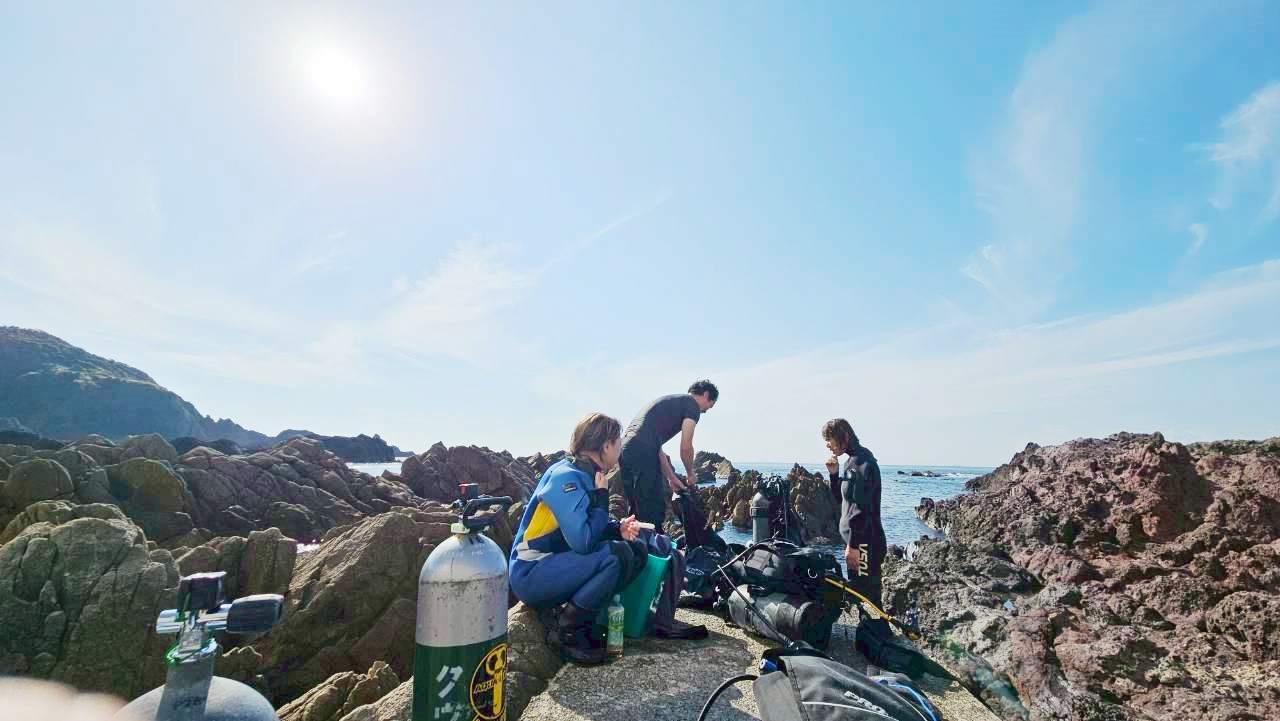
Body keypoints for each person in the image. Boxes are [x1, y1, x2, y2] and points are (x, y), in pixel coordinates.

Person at [509, 412, 647, 665]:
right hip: (531, 572)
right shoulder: (566, 477)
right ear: (605, 446)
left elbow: (583, 525)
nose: (620, 448)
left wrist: (618, 528)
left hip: (555, 562)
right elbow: (583, 542)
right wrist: (602, 498)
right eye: (618, 442)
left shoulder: (585, 473)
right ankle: (567, 633)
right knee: (615, 556)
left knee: (636, 550)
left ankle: (588, 621)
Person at [618, 380, 719, 527]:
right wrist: (690, 473)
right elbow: (685, 447)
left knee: (635, 507)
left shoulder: (671, 403)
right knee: (653, 508)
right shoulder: (692, 406)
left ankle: (636, 539)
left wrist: (671, 478)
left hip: (625, 449)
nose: (706, 410)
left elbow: (657, 449)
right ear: (706, 395)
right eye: (710, 405)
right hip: (643, 451)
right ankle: (653, 539)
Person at [823, 418, 887, 608]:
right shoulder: (851, 462)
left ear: (844, 436)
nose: (828, 445)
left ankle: (876, 626)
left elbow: (862, 509)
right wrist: (834, 474)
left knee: (867, 595)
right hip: (858, 542)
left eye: (829, 439)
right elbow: (843, 501)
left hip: (865, 543)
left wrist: (854, 545)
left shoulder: (862, 463)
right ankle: (869, 625)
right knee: (859, 592)